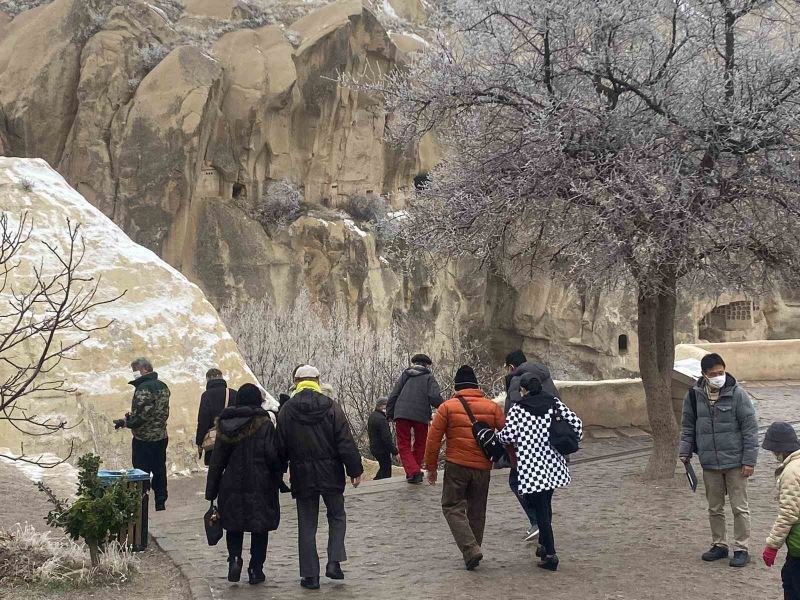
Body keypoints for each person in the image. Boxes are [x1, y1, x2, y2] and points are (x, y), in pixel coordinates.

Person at [277, 364, 364, 590]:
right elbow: (344, 441)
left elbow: (280, 446)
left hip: (302, 475)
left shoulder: (287, 410)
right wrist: (354, 469)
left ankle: (310, 575)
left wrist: (278, 472)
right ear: (317, 380)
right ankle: (334, 561)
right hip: (331, 473)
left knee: (307, 524)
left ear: (296, 381)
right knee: (337, 516)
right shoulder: (332, 407)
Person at [679, 352, 758, 567]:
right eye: (713, 374)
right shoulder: (694, 396)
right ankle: (719, 545)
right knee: (714, 508)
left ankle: (742, 548)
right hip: (710, 463)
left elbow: (750, 429)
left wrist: (749, 461)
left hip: (735, 462)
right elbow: (688, 427)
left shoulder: (738, 394)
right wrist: (684, 452)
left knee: (739, 507)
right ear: (704, 374)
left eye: (721, 372)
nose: (718, 377)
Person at [497, 372, 582, 572]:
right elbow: (577, 426)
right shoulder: (553, 403)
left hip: (532, 467)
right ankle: (544, 547)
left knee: (541, 510)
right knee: (546, 505)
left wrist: (495, 436)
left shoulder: (518, 410)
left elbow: (507, 436)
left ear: (524, 390)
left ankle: (550, 554)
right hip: (553, 464)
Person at [424, 365, 505, 570]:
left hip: (456, 465)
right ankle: (473, 549)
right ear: (476, 385)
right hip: (482, 468)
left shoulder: (447, 407)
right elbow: (506, 436)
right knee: (477, 510)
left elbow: (433, 440)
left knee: (451, 506)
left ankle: (471, 550)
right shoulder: (492, 407)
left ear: (456, 386)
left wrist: (431, 468)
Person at [205, 383, 284, 585]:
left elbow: (217, 461)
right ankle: (256, 569)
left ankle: (235, 559)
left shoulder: (224, 424)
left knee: (233, 525)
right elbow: (273, 456)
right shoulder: (264, 423)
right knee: (260, 528)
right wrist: (278, 477)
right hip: (261, 482)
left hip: (230, 483)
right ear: (257, 400)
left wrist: (211, 490)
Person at [503, 349, 560, 542]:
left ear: (511, 367)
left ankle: (538, 523)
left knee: (516, 481)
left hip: (529, 448)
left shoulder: (516, 380)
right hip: (552, 445)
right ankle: (546, 536)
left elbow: (513, 414)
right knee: (546, 489)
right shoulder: (546, 377)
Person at [114, 357, 170, 511]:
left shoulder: (143, 388)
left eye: (135, 371)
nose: (134, 374)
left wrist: (126, 422)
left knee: (141, 472)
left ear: (144, 369)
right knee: (159, 469)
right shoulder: (163, 386)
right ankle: (160, 501)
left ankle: (141, 501)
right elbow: (158, 411)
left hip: (143, 439)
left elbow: (142, 417)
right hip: (161, 436)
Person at [386, 353, 443, 484]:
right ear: (426, 365)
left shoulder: (405, 375)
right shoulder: (429, 377)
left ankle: (413, 472)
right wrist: (446, 407)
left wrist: (390, 413)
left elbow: (394, 394)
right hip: (421, 414)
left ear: (414, 363)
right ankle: (414, 471)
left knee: (403, 444)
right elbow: (434, 397)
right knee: (421, 443)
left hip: (402, 413)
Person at [762, 422, 800, 599]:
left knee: (791, 582)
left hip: (798, 542)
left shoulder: (791, 471)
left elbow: (788, 514)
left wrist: (772, 546)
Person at [195, 368, 237, 466]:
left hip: (214, 441)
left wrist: (199, 441)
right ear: (222, 378)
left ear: (208, 379)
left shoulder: (206, 395)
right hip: (233, 438)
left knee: (215, 472)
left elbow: (203, 420)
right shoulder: (234, 393)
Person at [368, 397, 397, 480]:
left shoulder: (373, 416)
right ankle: (382, 485)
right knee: (386, 470)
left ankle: (375, 482)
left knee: (383, 467)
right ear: (381, 406)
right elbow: (386, 438)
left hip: (375, 448)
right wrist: (395, 451)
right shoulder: (381, 419)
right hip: (382, 449)